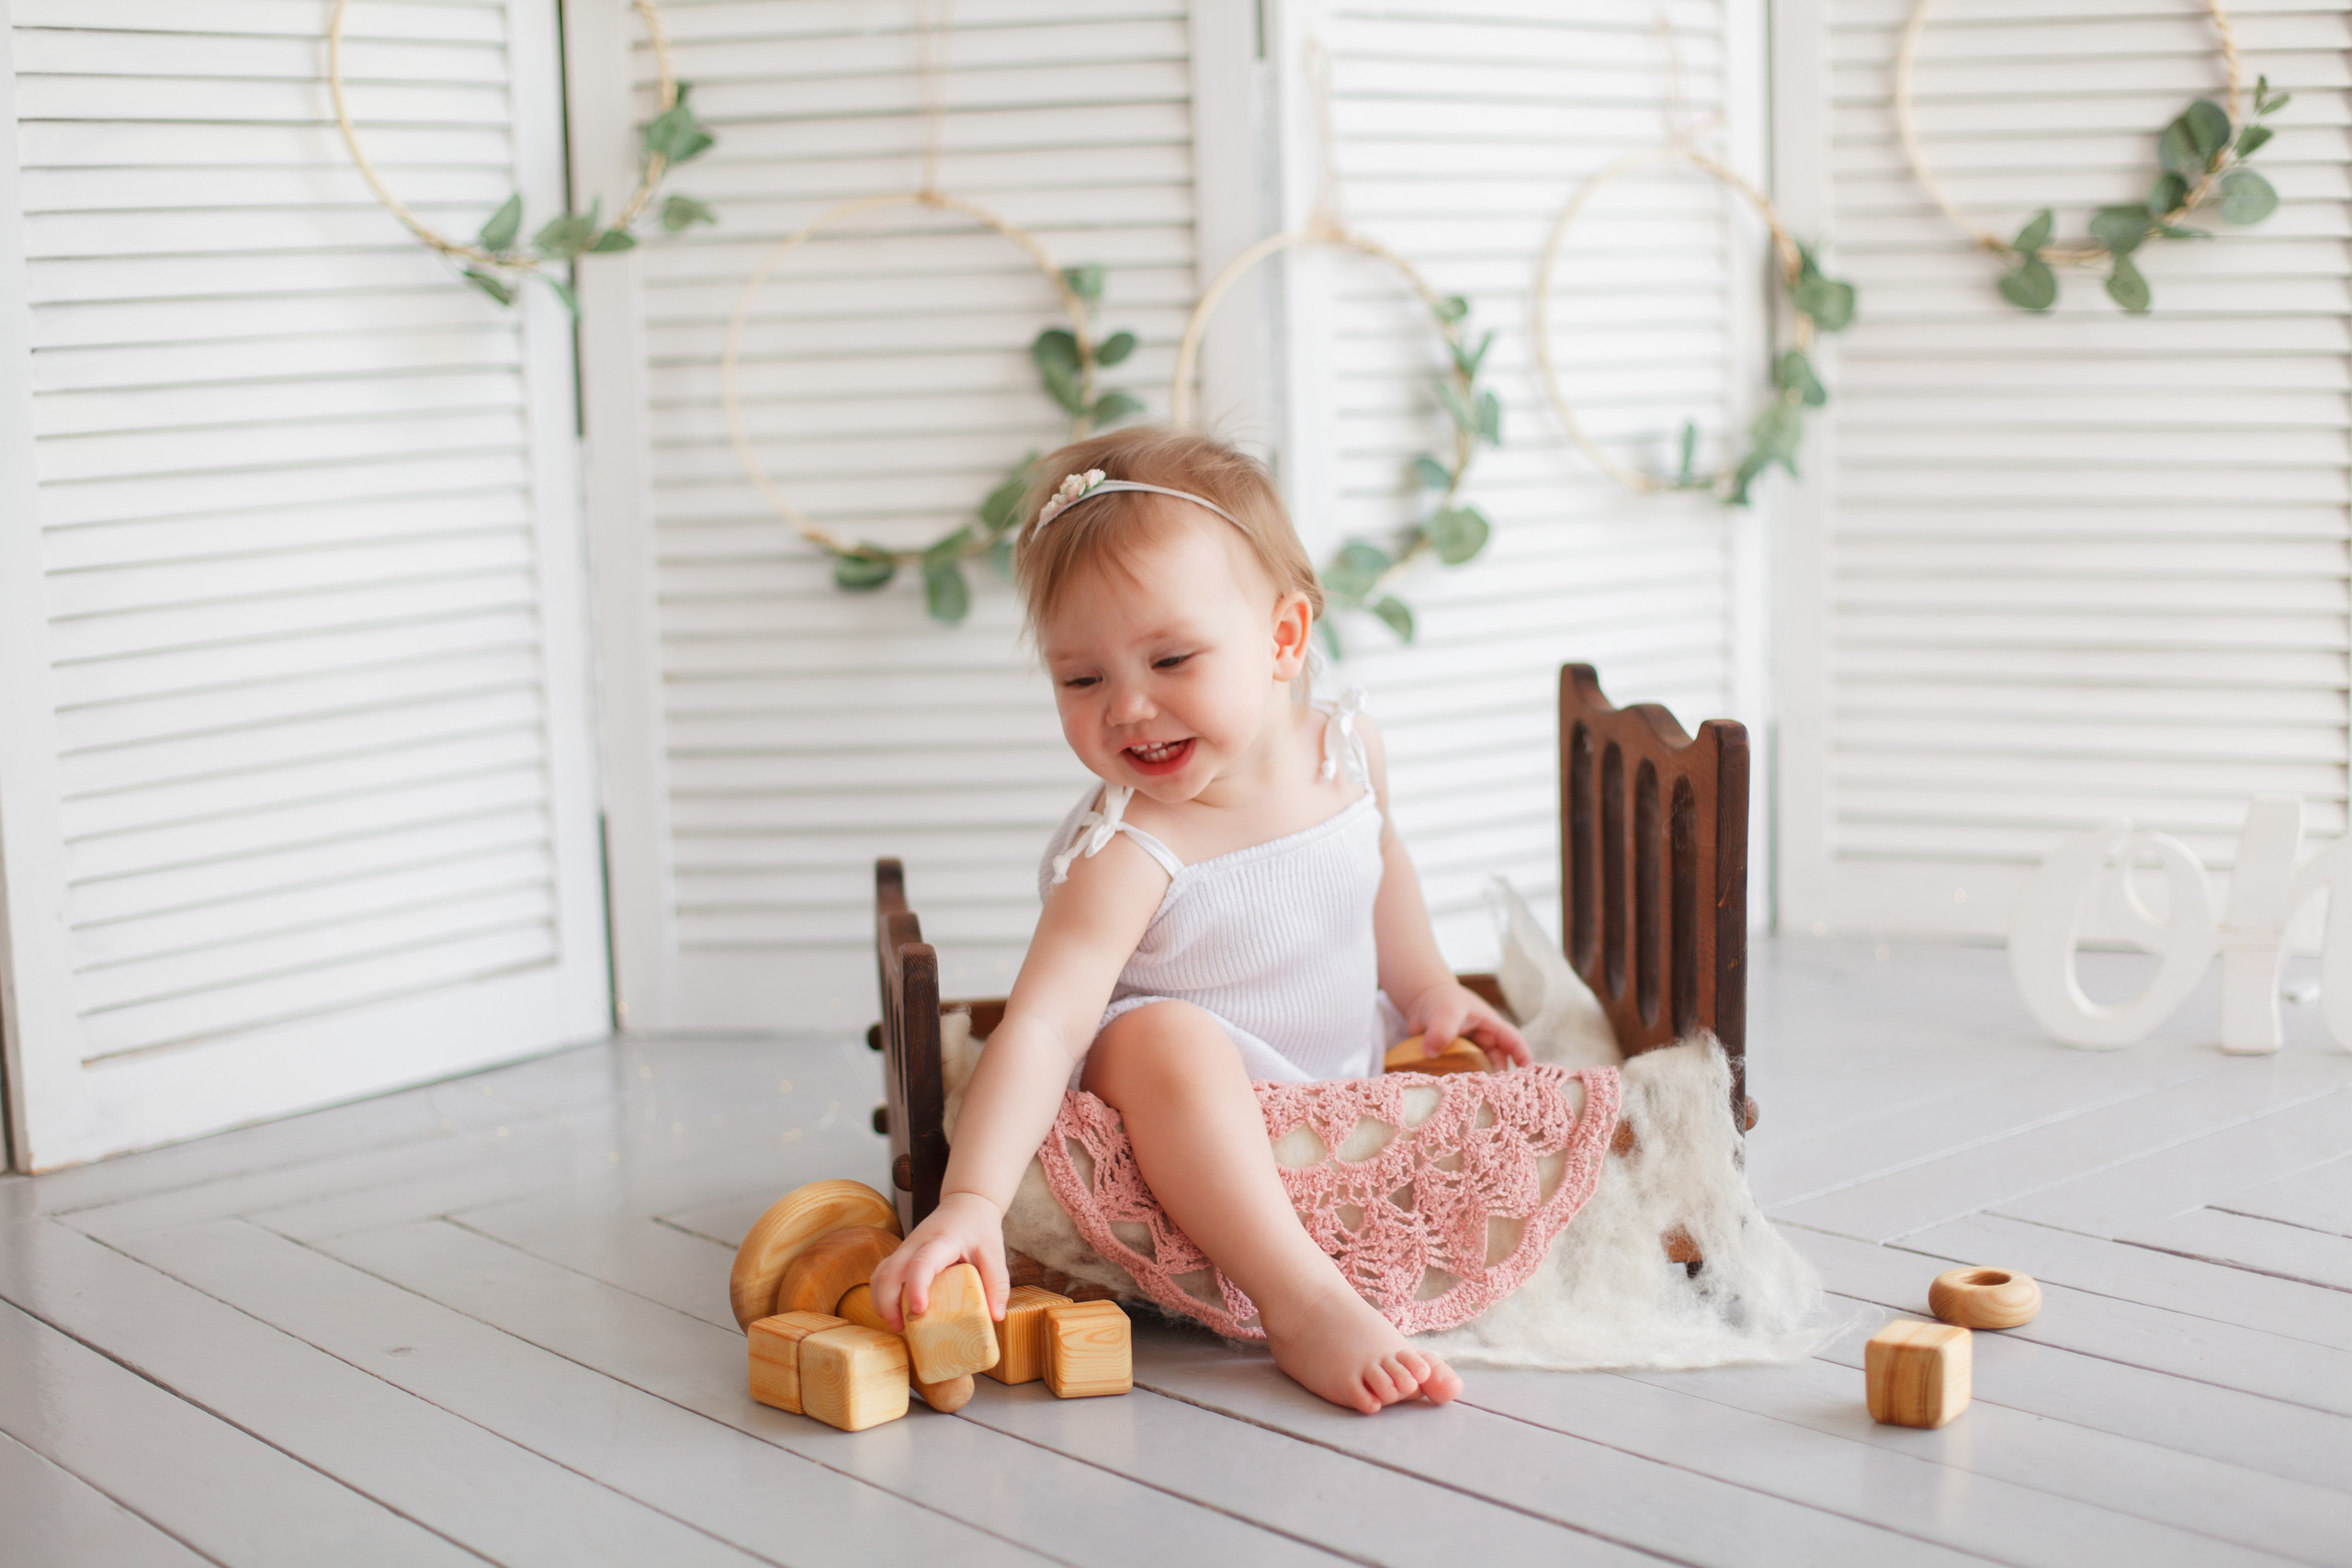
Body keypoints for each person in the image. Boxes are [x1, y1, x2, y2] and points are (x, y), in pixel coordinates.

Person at [870, 426, 1528, 1413]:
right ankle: (1299, 1297)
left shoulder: (1346, 751)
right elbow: (1043, 1027)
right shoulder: (1131, 852)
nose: (1128, 709)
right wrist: (969, 1201)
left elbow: (1379, 867)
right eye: (1081, 679)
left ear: (1283, 640)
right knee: (1162, 1035)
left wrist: (1429, 987)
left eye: (1171, 659)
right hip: (1179, 1108)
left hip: (1335, 1079)